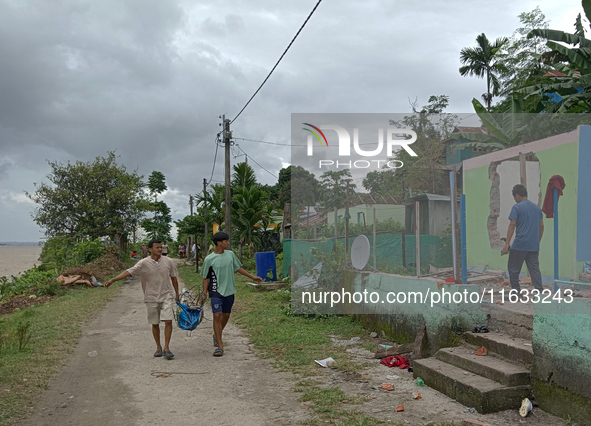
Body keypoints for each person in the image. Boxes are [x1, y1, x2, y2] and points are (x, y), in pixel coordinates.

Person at [105, 239, 180, 359]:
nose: (160, 249)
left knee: (168, 321)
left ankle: (167, 348)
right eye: (157, 247)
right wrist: (113, 280)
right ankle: (158, 347)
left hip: (167, 295)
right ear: (150, 249)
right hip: (151, 296)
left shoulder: (168, 261)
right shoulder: (143, 263)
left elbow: (174, 278)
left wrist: (177, 294)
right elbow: (128, 272)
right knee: (155, 323)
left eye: (161, 247)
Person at [201, 232, 262, 357]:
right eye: (226, 241)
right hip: (215, 290)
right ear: (219, 243)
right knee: (217, 315)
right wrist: (204, 293)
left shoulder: (230, 255)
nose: (228, 243)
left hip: (229, 290)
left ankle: (217, 334)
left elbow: (237, 268)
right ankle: (220, 345)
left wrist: (252, 277)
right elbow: (205, 277)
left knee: (226, 315)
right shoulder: (209, 259)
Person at [502, 184, 544, 296]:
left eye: (515, 198)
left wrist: (507, 244)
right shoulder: (537, 208)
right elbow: (541, 227)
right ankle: (540, 293)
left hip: (520, 244)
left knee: (514, 269)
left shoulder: (517, 207)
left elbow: (512, 224)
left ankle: (516, 293)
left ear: (517, 196)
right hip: (533, 245)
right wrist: (537, 241)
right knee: (534, 269)